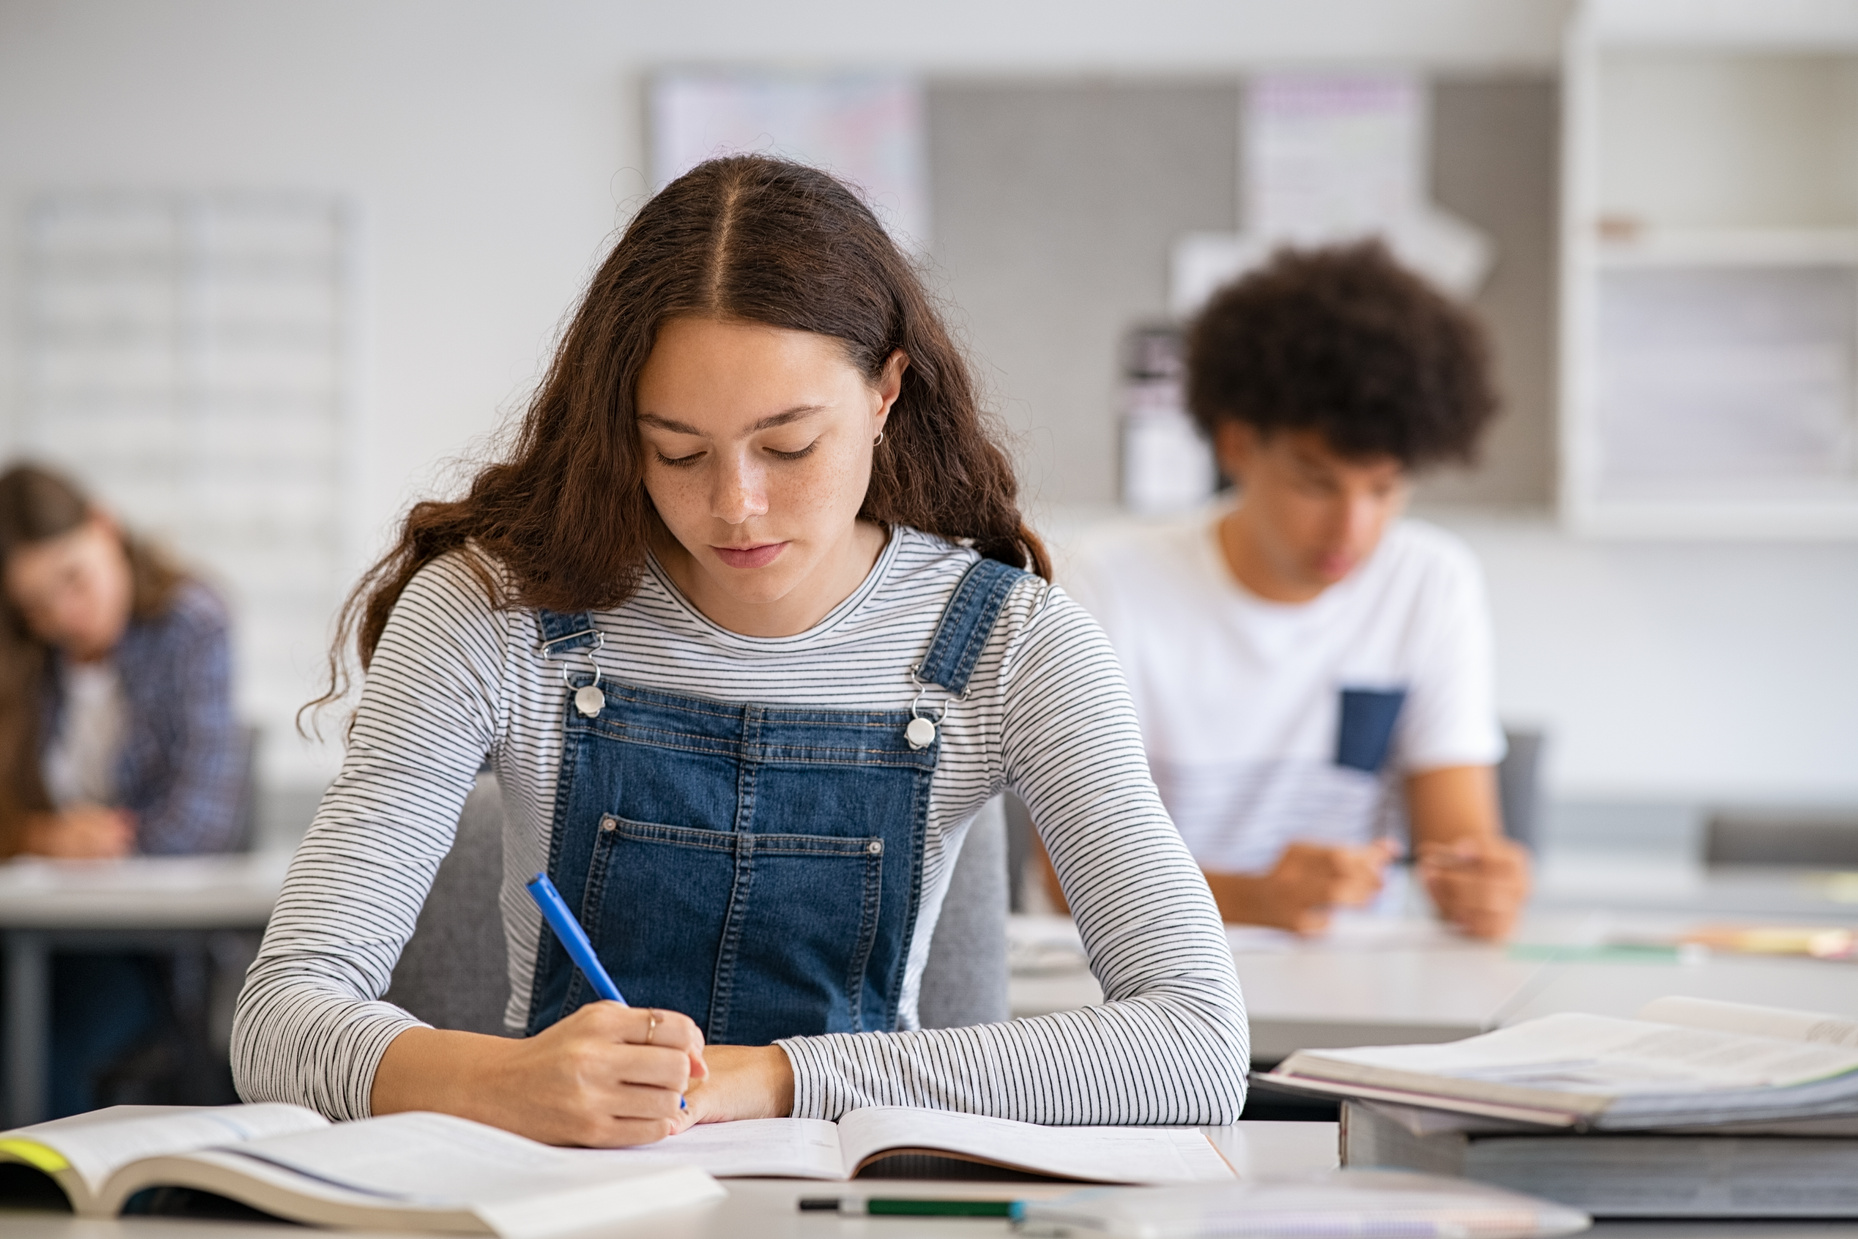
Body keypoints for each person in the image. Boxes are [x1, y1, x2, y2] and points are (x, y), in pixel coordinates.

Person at [231, 156, 1247, 1146]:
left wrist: (774, 1077)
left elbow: (1195, 1045)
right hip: (559, 1199)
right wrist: (500, 1082)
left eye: (789, 446)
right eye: (676, 450)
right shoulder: (491, 613)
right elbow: (279, 1021)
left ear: (887, 392)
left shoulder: (1013, 645)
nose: (734, 505)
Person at [1067, 242, 1529, 941]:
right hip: (1146, 991)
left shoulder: (1430, 583)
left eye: (1383, 488)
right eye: (1317, 482)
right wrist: (1256, 897)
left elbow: (1458, 844)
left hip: (1349, 996)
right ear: (1237, 445)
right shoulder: (1106, 582)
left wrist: (1480, 885)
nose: (1354, 526)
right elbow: (1068, 877)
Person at [0, 462, 245, 1115]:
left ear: (105, 527)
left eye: (73, 579)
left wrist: (99, 841)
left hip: (140, 947)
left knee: (44, 1046)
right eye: (35, 605)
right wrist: (43, 836)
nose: (63, 616)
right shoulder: (23, 653)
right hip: (29, 931)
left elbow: (201, 822)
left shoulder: (192, 622)